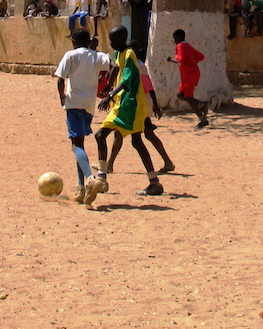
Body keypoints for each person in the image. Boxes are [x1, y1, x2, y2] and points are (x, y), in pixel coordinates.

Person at [84, 25, 163, 205]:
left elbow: (127, 80)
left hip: (132, 106)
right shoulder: (118, 54)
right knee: (100, 135)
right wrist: (108, 88)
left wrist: (110, 94)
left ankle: (154, 182)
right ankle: (102, 178)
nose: (111, 43)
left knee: (137, 142)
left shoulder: (129, 54)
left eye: (113, 40)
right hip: (120, 105)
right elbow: (116, 70)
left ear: (122, 39)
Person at [54, 28, 112, 204]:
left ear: (73, 41)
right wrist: (108, 87)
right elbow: (113, 65)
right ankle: (80, 188)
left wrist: (62, 97)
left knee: (76, 145)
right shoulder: (97, 56)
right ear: (89, 42)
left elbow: (60, 79)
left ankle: (89, 178)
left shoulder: (70, 55)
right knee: (80, 144)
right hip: (89, 105)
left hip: (74, 103)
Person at [109, 40, 175, 176]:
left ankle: (109, 165)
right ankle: (167, 161)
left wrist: (155, 106)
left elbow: (149, 87)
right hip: (137, 104)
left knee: (124, 133)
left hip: (140, 104)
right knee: (145, 133)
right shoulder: (132, 64)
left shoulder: (139, 66)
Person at [168, 28, 208, 127]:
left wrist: (171, 59)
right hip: (191, 74)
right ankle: (201, 104)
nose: (174, 41)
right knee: (180, 95)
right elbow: (201, 57)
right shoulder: (189, 46)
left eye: (175, 38)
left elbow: (179, 59)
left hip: (189, 75)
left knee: (189, 98)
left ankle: (203, 117)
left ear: (179, 37)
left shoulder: (180, 46)